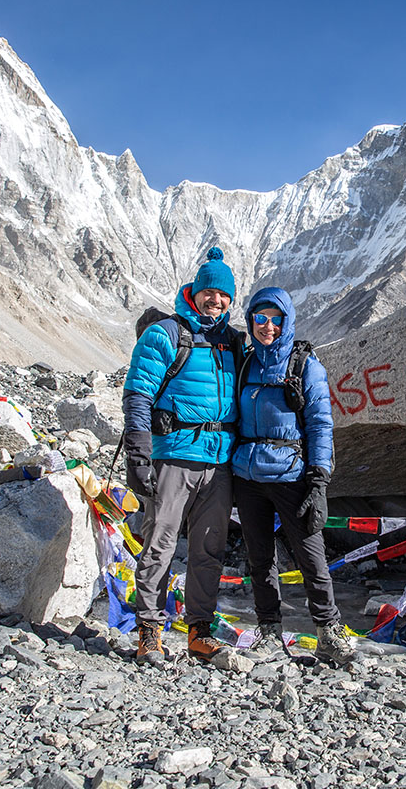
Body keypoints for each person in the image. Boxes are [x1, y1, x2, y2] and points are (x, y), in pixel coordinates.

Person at [122, 246, 245, 663]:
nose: (216, 300)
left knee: (208, 549)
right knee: (159, 543)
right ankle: (149, 632)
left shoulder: (233, 342)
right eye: (209, 292)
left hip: (218, 461)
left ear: (231, 299)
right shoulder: (167, 333)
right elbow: (137, 394)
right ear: (195, 291)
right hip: (173, 455)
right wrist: (138, 455)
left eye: (224, 295)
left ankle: (199, 632)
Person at [232, 286, 356, 665]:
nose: (267, 326)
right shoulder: (245, 364)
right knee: (259, 558)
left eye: (275, 319)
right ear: (251, 320)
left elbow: (320, 424)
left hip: (291, 476)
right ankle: (269, 631)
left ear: (286, 322)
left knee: (310, 557)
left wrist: (319, 481)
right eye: (260, 318)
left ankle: (328, 631)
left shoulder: (306, 367)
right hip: (248, 477)